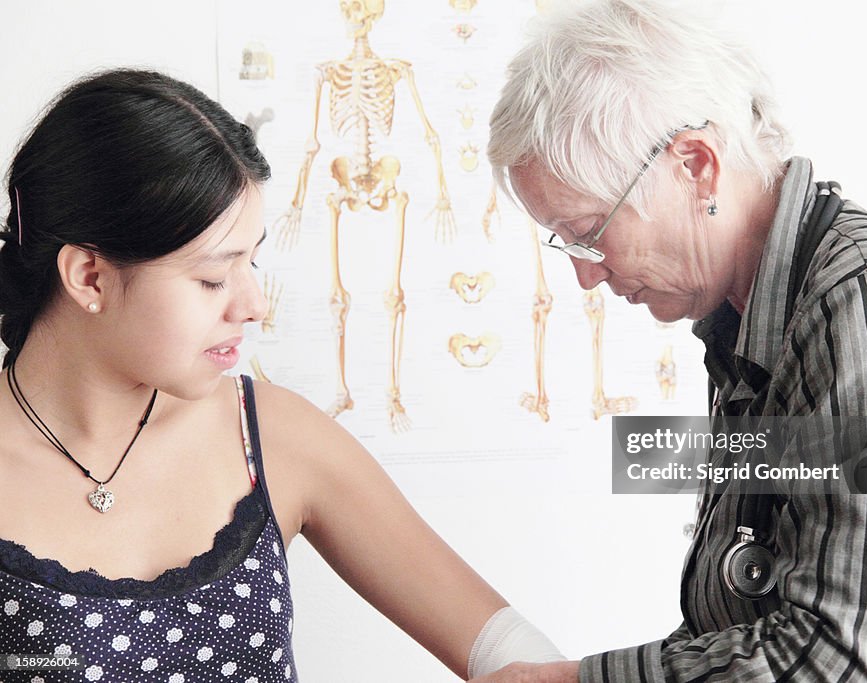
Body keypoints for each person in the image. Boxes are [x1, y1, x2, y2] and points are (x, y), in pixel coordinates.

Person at [478, 0, 867, 681]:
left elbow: (838, 660)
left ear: (696, 165)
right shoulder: (753, 328)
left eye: (590, 230)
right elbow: (744, 623)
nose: (587, 273)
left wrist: (579, 680)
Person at [0, 68, 564, 681]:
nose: (253, 304)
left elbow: (521, 659)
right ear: (89, 277)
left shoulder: (271, 437)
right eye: (214, 276)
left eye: (253, 261)